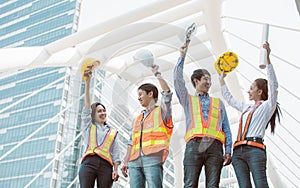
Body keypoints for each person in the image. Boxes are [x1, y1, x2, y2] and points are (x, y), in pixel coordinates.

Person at [219, 42, 281, 188]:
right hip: (238, 151)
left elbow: (273, 86)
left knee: (260, 184)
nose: (248, 91)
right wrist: (221, 81)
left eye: (251, 88)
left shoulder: (267, 106)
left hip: (255, 149)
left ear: (259, 92)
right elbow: (230, 99)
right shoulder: (246, 108)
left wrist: (268, 60)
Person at [174, 41, 232, 188]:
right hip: (194, 145)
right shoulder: (188, 100)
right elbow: (177, 81)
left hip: (215, 147)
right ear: (196, 80)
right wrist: (182, 56)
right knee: (190, 184)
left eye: (210, 79)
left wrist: (228, 150)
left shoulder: (218, 103)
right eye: (206, 78)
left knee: (213, 185)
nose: (209, 82)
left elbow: (226, 128)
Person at [121, 64, 173, 188]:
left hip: (152, 157)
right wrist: (126, 161)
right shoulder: (137, 118)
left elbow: (167, 94)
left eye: (140, 94)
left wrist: (157, 74)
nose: (138, 98)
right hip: (134, 161)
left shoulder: (162, 112)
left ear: (150, 94)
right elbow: (131, 141)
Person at [79, 68, 121, 188]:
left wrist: (116, 169)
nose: (103, 113)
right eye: (99, 111)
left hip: (106, 166)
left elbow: (116, 153)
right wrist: (87, 83)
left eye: (104, 110)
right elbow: (86, 108)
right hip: (88, 164)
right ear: (93, 115)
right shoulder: (88, 126)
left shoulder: (113, 132)